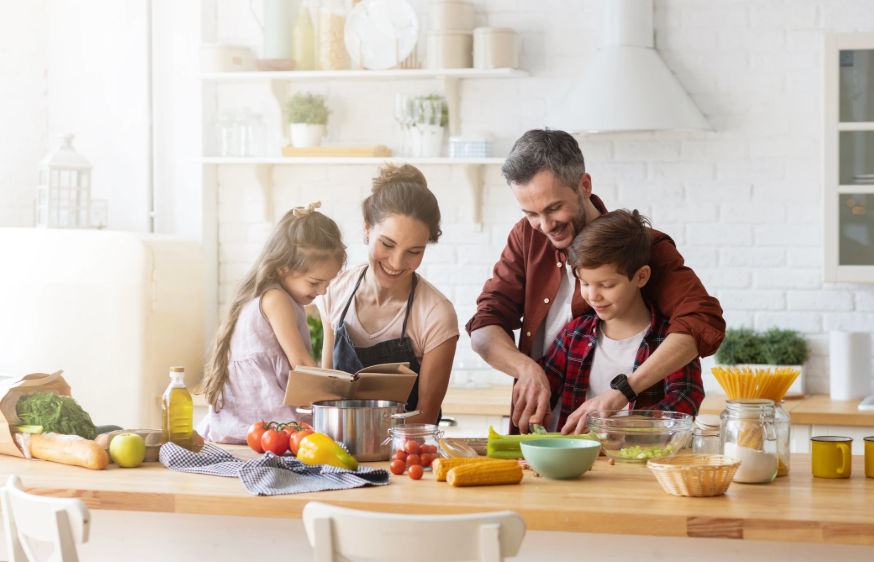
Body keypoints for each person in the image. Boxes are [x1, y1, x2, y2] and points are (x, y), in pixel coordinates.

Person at [466, 129, 724, 433]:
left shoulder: (641, 247)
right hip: (549, 438)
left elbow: (702, 320)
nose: (545, 226)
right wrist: (526, 369)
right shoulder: (527, 236)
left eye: (553, 208)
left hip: (627, 445)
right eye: (531, 213)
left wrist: (622, 394)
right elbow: (484, 325)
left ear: (584, 185)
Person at [539, 209, 705, 435]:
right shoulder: (573, 335)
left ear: (641, 276)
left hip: (641, 462)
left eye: (606, 285)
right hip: (576, 462)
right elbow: (542, 391)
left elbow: (684, 402)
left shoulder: (670, 340)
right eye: (584, 283)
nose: (593, 296)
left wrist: (618, 426)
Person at [318, 164, 459, 425]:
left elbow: (426, 417)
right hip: (337, 452)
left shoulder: (436, 314)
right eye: (387, 244)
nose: (396, 263)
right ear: (367, 229)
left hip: (404, 456)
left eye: (414, 252)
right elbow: (327, 395)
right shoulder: (334, 291)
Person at [197, 202, 346, 443]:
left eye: (328, 283)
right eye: (315, 282)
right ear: (283, 269)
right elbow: (300, 362)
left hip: (248, 418)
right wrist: (333, 397)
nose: (323, 291)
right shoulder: (276, 298)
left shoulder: (270, 293)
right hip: (264, 417)